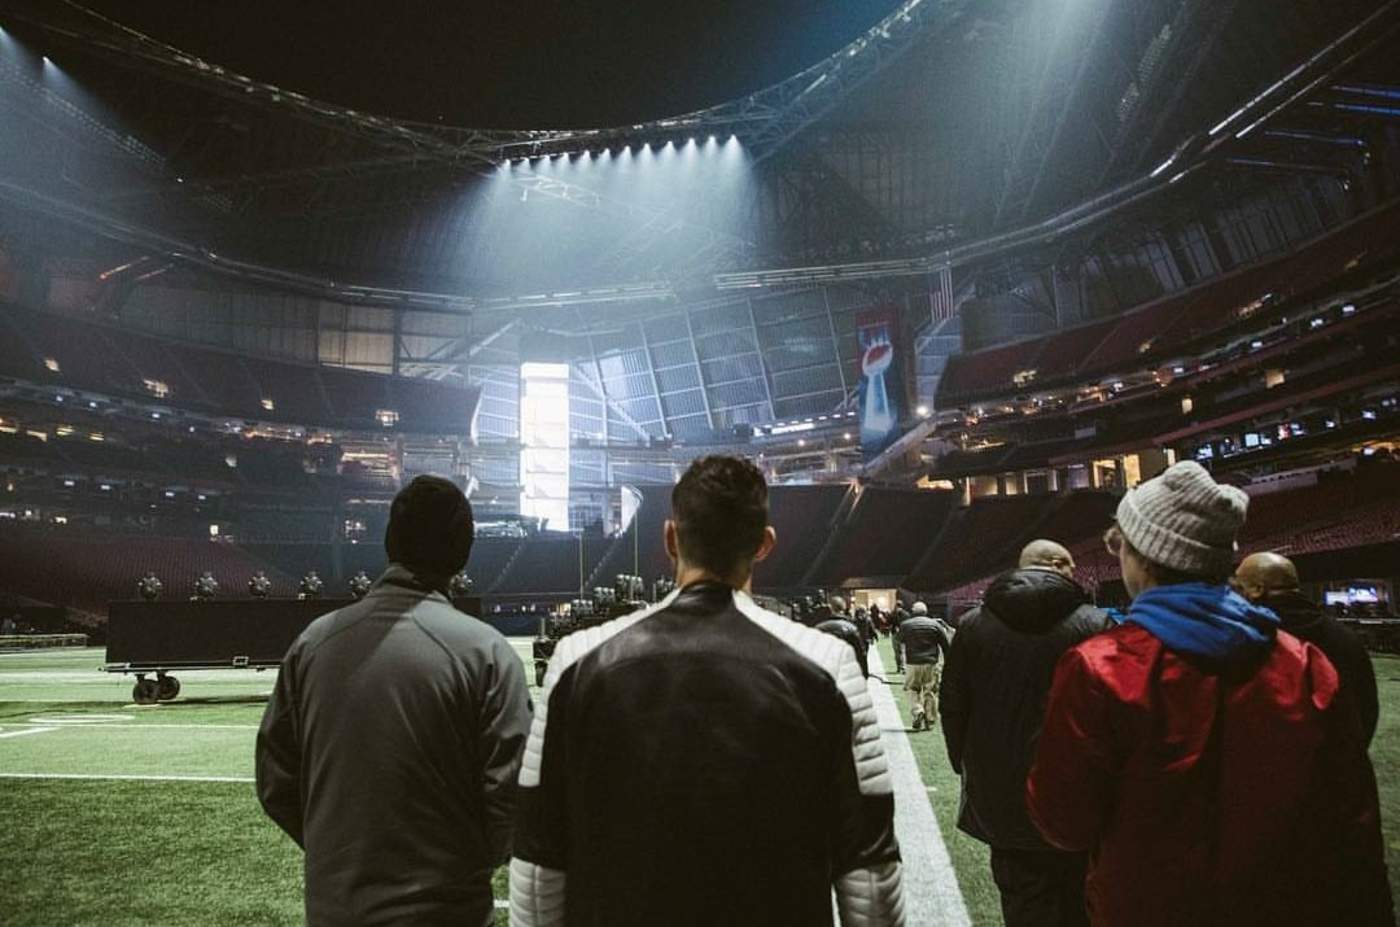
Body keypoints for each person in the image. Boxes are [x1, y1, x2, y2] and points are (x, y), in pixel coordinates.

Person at [510, 455, 903, 926]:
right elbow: (870, 876)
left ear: (670, 538)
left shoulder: (576, 662)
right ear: (765, 544)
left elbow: (538, 865)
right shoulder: (827, 665)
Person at [1027, 462, 1392, 927]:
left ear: (1146, 556)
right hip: (1285, 907)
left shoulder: (1100, 668)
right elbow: (1352, 820)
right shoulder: (1304, 663)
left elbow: (1063, 821)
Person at [256, 475, 532, 927]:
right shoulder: (486, 652)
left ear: (390, 542)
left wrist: (338, 853)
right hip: (447, 911)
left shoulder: (313, 644)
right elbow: (511, 795)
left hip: (336, 910)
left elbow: (275, 781)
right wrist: (467, 862)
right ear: (463, 551)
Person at [939, 539, 1110, 927]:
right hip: (1074, 785)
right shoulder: (1095, 623)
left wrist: (963, 763)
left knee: (1021, 898)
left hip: (999, 787)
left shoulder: (973, 624)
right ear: (1058, 564)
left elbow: (953, 704)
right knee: (1080, 897)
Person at [1233, 551, 1379, 745]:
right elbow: (1367, 708)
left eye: (1239, 587)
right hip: (1341, 757)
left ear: (1257, 589)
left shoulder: (1249, 639)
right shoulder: (1345, 636)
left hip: (1277, 758)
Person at [899, 601, 950, 731]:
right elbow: (945, 645)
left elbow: (899, 641)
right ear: (926, 612)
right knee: (930, 691)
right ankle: (930, 719)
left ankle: (917, 710)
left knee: (912, 689)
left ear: (912, 612)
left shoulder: (906, 625)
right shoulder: (935, 625)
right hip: (931, 663)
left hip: (912, 662)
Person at [816, 594, 870, 679]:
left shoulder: (819, 628)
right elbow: (860, 654)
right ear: (843, 608)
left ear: (830, 608)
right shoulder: (851, 628)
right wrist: (864, 675)